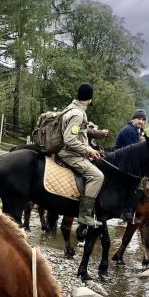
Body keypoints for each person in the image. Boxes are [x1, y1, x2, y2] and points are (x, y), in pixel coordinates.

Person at [57, 83, 104, 228]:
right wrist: (88, 151)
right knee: (97, 176)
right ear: (89, 99)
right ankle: (84, 215)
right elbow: (70, 139)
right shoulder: (78, 114)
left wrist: (89, 148)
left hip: (71, 151)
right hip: (70, 154)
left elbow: (80, 137)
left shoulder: (71, 108)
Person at [114, 108, 149, 223]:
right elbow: (134, 151)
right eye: (139, 118)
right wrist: (142, 142)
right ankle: (127, 212)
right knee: (137, 185)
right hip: (121, 161)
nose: (141, 121)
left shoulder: (137, 130)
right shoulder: (129, 130)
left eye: (143, 119)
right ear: (133, 119)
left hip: (126, 159)